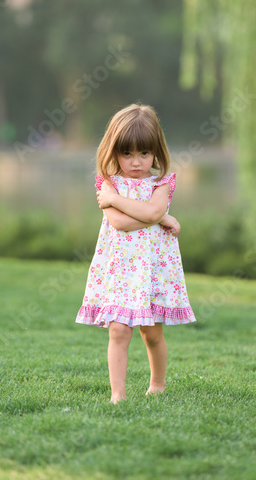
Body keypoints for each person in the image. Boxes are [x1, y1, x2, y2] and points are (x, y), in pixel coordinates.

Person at [76, 103, 196, 404]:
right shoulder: (109, 184)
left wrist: (155, 212)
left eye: (144, 153)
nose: (136, 162)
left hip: (152, 269)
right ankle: (118, 393)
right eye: (127, 153)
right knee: (118, 331)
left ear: (156, 152)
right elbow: (118, 222)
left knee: (151, 333)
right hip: (120, 271)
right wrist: (161, 218)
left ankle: (158, 383)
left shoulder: (161, 182)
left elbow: (153, 208)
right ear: (113, 152)